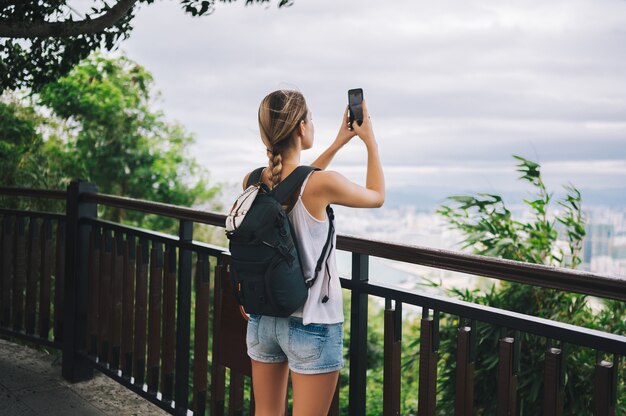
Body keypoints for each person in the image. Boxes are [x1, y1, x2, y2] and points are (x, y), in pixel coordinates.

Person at [242, 89, 384, 416]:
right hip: (312, 323)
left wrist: (336, 144)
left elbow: (294, 185)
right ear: (302, 128)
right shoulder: (322, 184)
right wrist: (369, 141)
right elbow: (376, 196)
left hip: (263, 319)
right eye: (311, 119)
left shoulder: (251, 181)